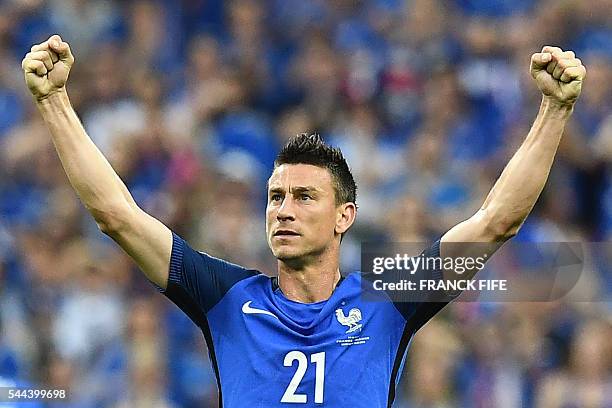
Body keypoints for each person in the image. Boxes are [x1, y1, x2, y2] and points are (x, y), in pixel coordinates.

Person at [21, 34, 586, 407]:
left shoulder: (390, 296)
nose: (283, 209)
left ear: (346, 216)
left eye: (303, 197)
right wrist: (53, 102)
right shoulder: (222, 295)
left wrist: (554, 109)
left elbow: (496, 224)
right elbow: (116, 215)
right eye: (275, 197)